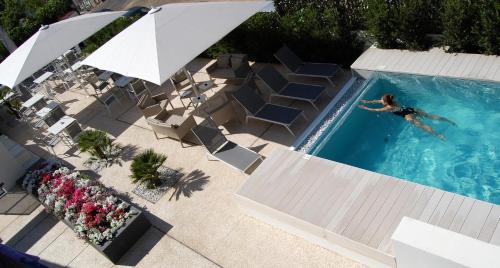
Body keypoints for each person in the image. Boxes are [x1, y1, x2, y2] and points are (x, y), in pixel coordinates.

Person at [358, 94, 455, 140]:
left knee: (422, 126)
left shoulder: (387, 108)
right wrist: (368, 101)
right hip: (412, 109)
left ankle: (438, 135)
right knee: (429, 116)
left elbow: (375, 110)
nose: (380, 100)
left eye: (381, 100)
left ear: (386, 102)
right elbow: (377, 101)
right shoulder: (392, 101)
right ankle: (448, 121)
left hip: (408, 116)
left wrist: (365, 107)